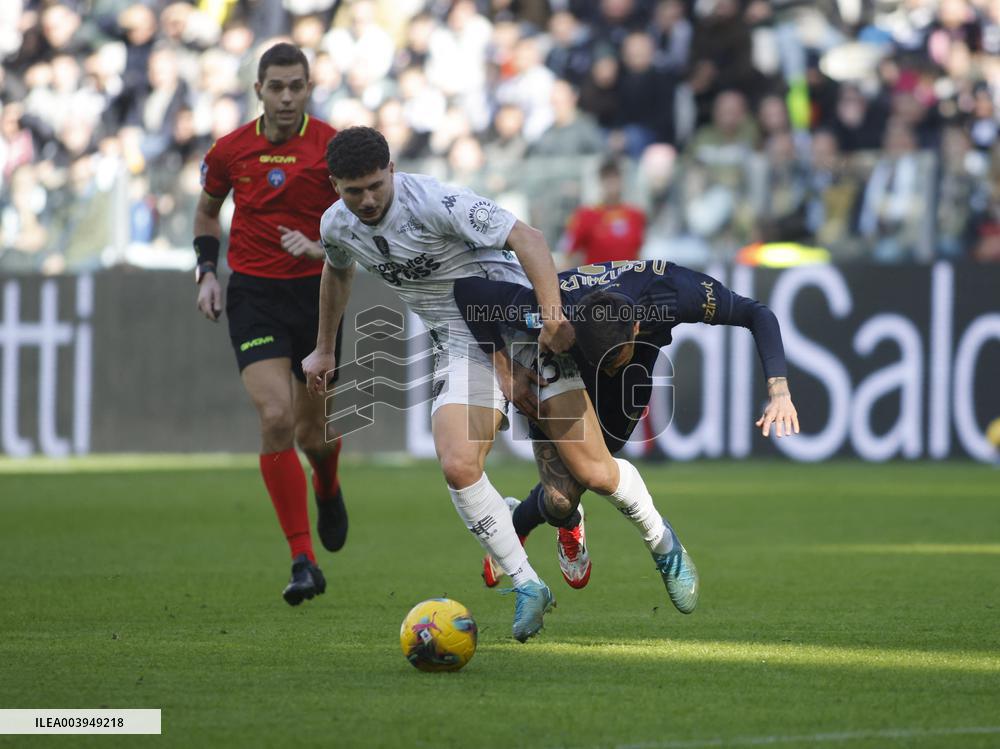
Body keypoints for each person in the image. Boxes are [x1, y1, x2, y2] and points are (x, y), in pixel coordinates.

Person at [302, 126, 580, 643]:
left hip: (510, 319)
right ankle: (527, 584)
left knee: (588, 472)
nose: (365, 200)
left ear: (392, 171)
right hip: (457, 343)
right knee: (457, 465)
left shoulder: (435, 201)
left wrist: (549, 318)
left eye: (374, 186)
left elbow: (529, 238)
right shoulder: (336, 225)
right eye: (352, 190)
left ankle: (617, 529)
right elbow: (337, 272)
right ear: (334, 185)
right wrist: (324, 346)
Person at [453, 259, 798, 598]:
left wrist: (778, 389)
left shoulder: (673, 292)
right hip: (563, 365)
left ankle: (520, 520)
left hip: (629, 378)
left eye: (611, 359)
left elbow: (757, 314)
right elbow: (468, 291)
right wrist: (504, 367)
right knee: (561, 499)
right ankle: (570, 521)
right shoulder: (555, 310)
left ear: (636, 326)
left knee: (587, 476)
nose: (605, 367)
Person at [193, 43, 347, 607]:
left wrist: (320, 246)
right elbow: (208, 212)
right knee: (276, 417)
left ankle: (327, 484)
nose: (286, 96)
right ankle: (302, 559)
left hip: (316, 296)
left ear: (309, 89)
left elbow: (357, 220)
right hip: (253, 294)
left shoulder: (331, 147)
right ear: (258, 89)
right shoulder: (230, 150)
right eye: (276, 86)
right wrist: (206, 273)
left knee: (313, 434)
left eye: (296, 86)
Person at [563, 158, 646, 268]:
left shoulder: (635, 215)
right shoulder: (585, 215)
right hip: (598, 282)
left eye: (615, 177)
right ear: (600, 181)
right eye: (607, 178)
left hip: (629, 281)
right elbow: (570, 253)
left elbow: (638, 253)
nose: (612, 184)